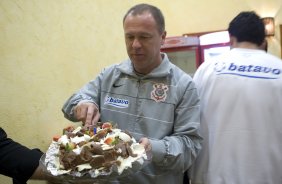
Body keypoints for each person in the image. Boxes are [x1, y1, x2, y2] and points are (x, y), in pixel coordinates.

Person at [62, 3, 202, 184]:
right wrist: (82, 105)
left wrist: (154, 148)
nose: (135, 45)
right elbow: (71, 104)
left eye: (144, 37)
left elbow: (190, 147)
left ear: (163, 37)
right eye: (129, 37)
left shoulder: (184, 86)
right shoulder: (109, 75)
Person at [189, 11, 282, 184]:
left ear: (231, 38)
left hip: (213, 176)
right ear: (263, 41)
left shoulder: (206, 70)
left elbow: (189, 124)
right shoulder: (280, 70)